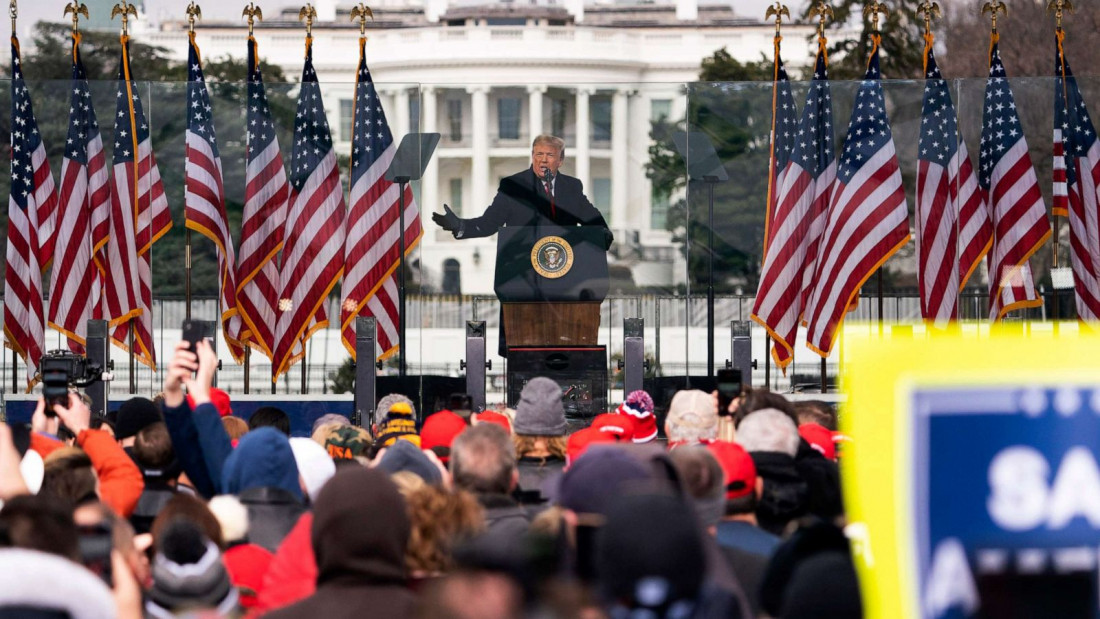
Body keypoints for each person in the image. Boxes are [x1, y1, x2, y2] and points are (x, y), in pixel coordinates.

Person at [431, 134, 613, 251]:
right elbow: (488, 224)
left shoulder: (572, 187)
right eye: (538, 154)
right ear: (532, 156)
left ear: (560, 160)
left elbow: (595, 224)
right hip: (520, 273)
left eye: (549, 156)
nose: (543, 160)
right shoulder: (513, 186)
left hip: (564, 270)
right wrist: (458, 225)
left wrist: (602, 236)